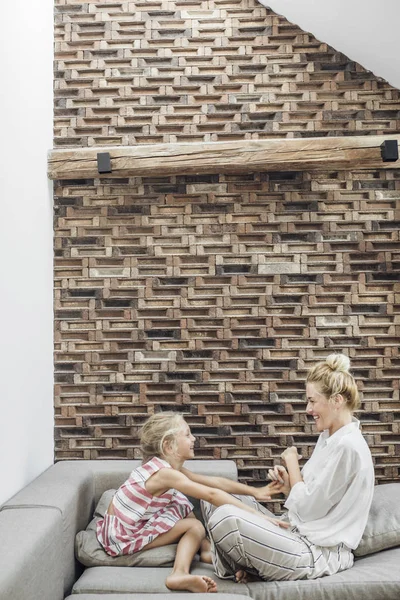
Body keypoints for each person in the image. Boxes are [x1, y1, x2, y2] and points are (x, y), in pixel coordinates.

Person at [201, 353, 375, 583]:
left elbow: (309, 509)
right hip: (293, 531)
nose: (308, 409)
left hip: (315, 551)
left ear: (337, 400)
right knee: (212, 498)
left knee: (225, 517)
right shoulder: (329, 437)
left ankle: (246, 565)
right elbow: (315, 498)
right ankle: (250, 565)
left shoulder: (349, 447)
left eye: (313, 401)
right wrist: (287, 487)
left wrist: (292, 463)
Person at [96, 411, 286, 594]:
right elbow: (211, 494)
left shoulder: (168, 468)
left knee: (179, 501)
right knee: (194, 526)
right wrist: (258, 516)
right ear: (169, 446)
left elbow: (214, 482)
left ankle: (205, 549)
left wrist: (255, 491)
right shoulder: (165, 474)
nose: (194, 439)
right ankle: (179, 574)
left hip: (124, 526)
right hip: (120, 538)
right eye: (187, 435)